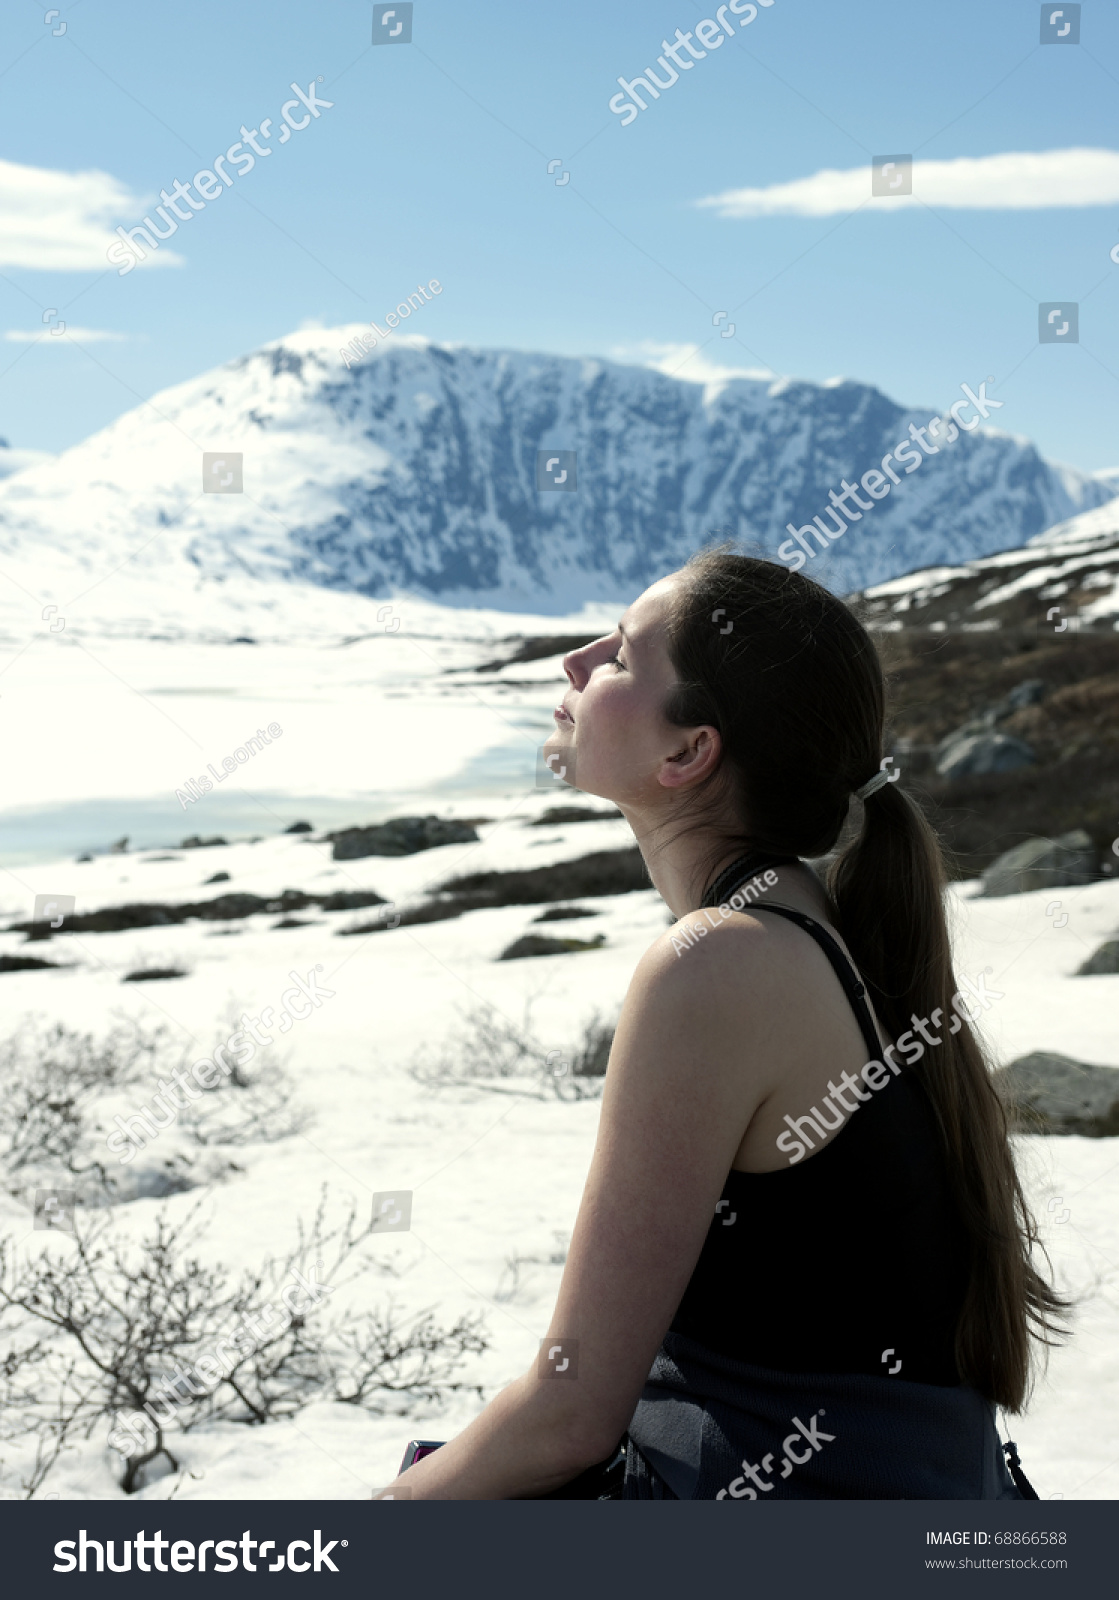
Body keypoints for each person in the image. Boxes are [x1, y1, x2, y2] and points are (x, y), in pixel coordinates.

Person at [380, 549, 1067, 1501]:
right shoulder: (803, 923)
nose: (575, 662)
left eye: (619, 655)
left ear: (687, 752)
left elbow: (568, 1415)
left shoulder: (717, 964)